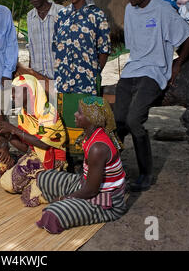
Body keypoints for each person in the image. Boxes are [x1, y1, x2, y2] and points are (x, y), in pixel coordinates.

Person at [114, 0, 189, 192]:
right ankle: (113, 171)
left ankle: (145, 174)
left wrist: (177, 64)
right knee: (117, 121)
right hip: (132, 70)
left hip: (153, 72)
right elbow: (133, 46)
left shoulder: (162, 9)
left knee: (134, 121)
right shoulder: (130, 10)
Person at [35, 96, 127, 234]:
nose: (75, 114)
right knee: (44, 177)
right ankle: (70, 201)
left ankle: (71, 205)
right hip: (87, 184)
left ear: (92, 118)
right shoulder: (92, 135)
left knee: (52, 215)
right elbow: (88, 181)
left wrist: (62, 198)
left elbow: (91, 191)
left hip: (106, 201)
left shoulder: (98, 148)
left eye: (80, 113)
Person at [0, 74, 67, 207]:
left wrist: (14, 129)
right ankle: (40, 181)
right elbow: (25, 148)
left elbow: (43, 144)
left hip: (53, 159)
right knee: (7, 183)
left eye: (16, 92)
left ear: (31, 91)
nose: (13, 95)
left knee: (30, 196)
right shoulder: (23, 114)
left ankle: (56, 183)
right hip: (35, 157)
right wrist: (8, 134)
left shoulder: (48, 112)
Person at [53, 0, 112, 156]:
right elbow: (56, 45)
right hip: (64, 81)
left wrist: (94, 74)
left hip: (87, 82)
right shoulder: (61, 15)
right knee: (66, 120)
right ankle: (68, 160)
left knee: (87, 121)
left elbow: (104, 49)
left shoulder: (97, 15)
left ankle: (87, 160)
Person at [26, 0, 64, 80]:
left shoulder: (61, 12)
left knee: (58, 97)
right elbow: (31, 47)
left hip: (59, 77)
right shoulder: (30, 16)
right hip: (38, 78)